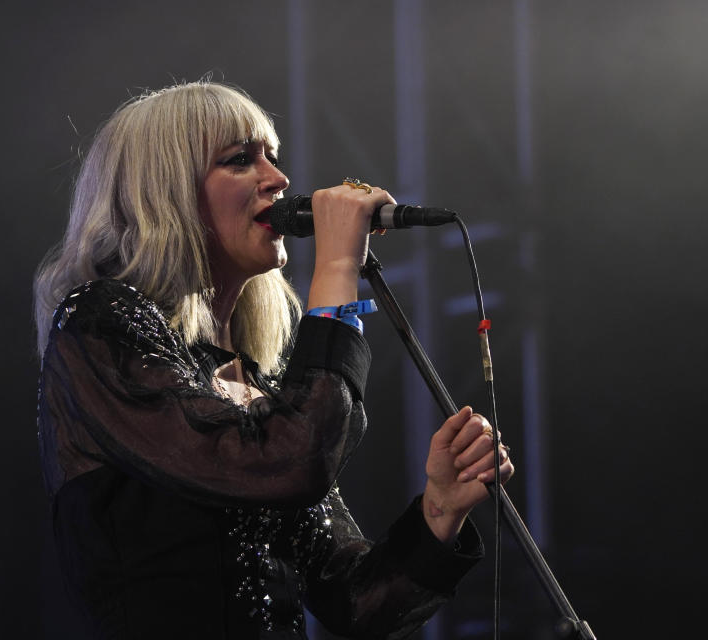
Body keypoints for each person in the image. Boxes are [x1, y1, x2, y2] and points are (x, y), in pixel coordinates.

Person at [34, 80, 514, 639]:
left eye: (274, 157)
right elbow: (289, 463)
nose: (279, 180)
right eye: (241, 160)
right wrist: (336, 271)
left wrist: (438, 512)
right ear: (165, 191)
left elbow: (352, 600)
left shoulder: (251, 386)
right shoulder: (99, 323)